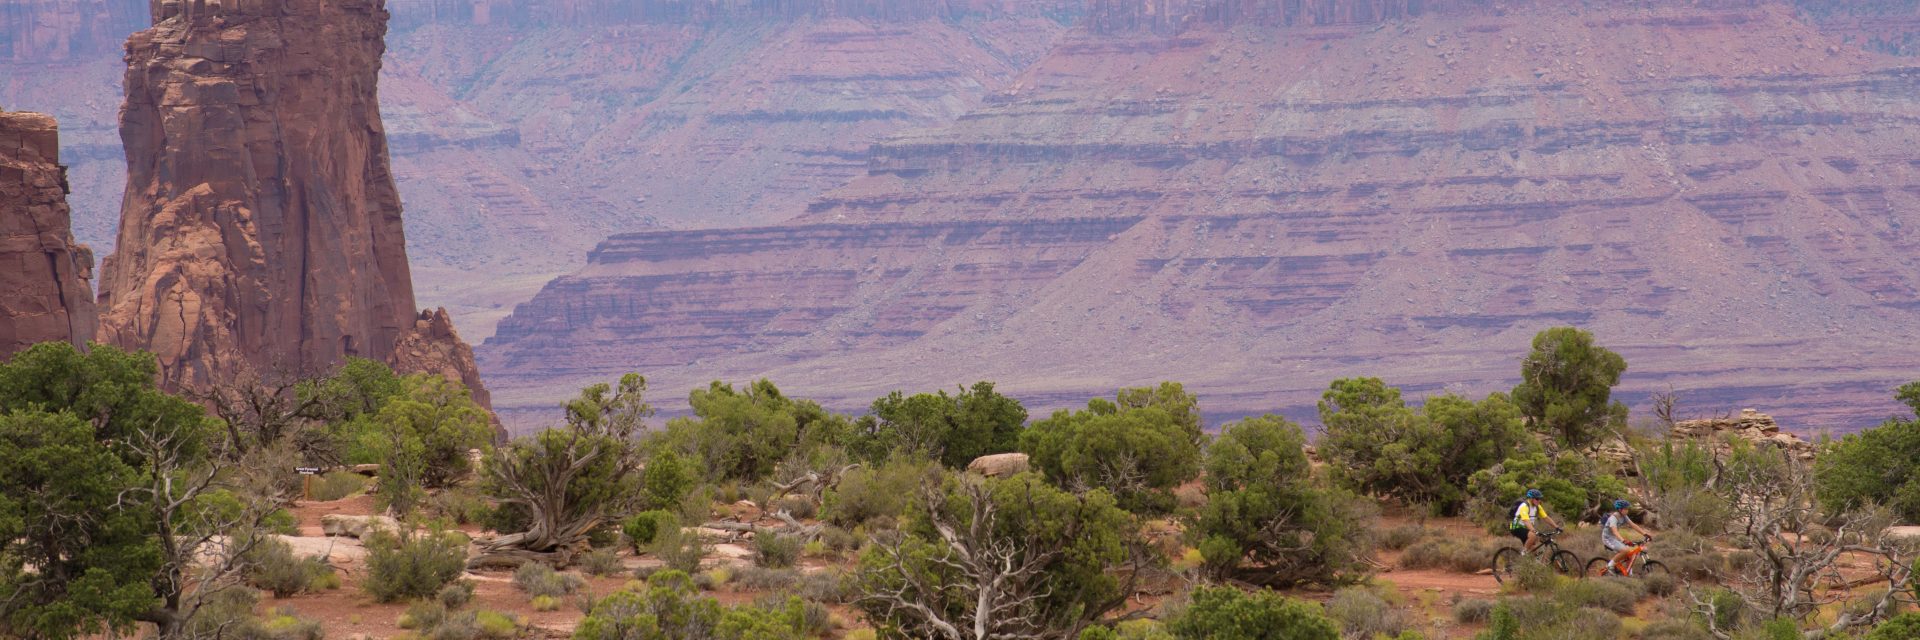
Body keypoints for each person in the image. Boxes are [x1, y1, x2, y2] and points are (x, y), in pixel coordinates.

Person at [1602, 499, 1654, 575]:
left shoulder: (1624, 516)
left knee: (1631, 553)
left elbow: (1633, 525)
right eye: (1625, 509)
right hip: (1608, 538)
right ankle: (1610, 566)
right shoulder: (1613, 518)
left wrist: (1645, 534)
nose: (1627, 510)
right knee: (1625, 550)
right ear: (1620, 509)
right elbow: (1614, 531)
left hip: (1615, 538)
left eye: (1627, 508)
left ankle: (1629, 573)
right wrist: (1623, 540)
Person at [1509, 489, 1562, 555]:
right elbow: (1526, 521)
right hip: (1516, 527)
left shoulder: (1538, 507)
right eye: (1537, 499)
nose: (1539, 501)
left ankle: (1530, 562)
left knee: (1534, 551)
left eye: (1540, 499)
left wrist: (1556, 527)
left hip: (1526, 528)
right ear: (1531, 498)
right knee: (1533, 535)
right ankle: (1523, 553)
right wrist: (1534, 531)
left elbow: (1546, 517)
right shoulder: (1524, 506)